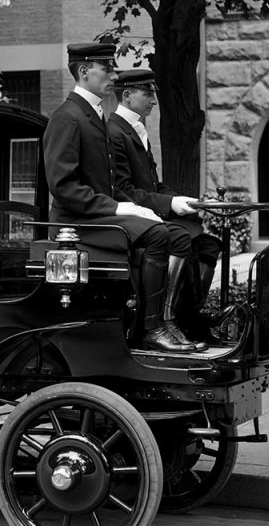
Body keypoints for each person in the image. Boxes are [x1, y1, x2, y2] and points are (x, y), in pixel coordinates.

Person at [43, 42, 202, 352]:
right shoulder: (69, 117)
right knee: (157, 235)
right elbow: (63, 186)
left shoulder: (92, 114)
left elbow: (108, 180)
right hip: (75, 223)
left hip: (97, 215)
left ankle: (168, 321)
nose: (113, 76)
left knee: (179, 238)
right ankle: (150, 328)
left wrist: (130, 207)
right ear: (85, 71)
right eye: (107, 69)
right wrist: (120, 207)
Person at [108, 69, 223, 340]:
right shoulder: (115, 133)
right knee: (182, 238)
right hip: (131, 219)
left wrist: (189, 202)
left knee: (208, 244)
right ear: (126, 95)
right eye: (147, 93)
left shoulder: (135, 130)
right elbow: (123, 191)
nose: (154, 100)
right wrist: (170, 202)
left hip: (149, 212)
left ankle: (192, 318)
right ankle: (164, 322)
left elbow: (154, 186)